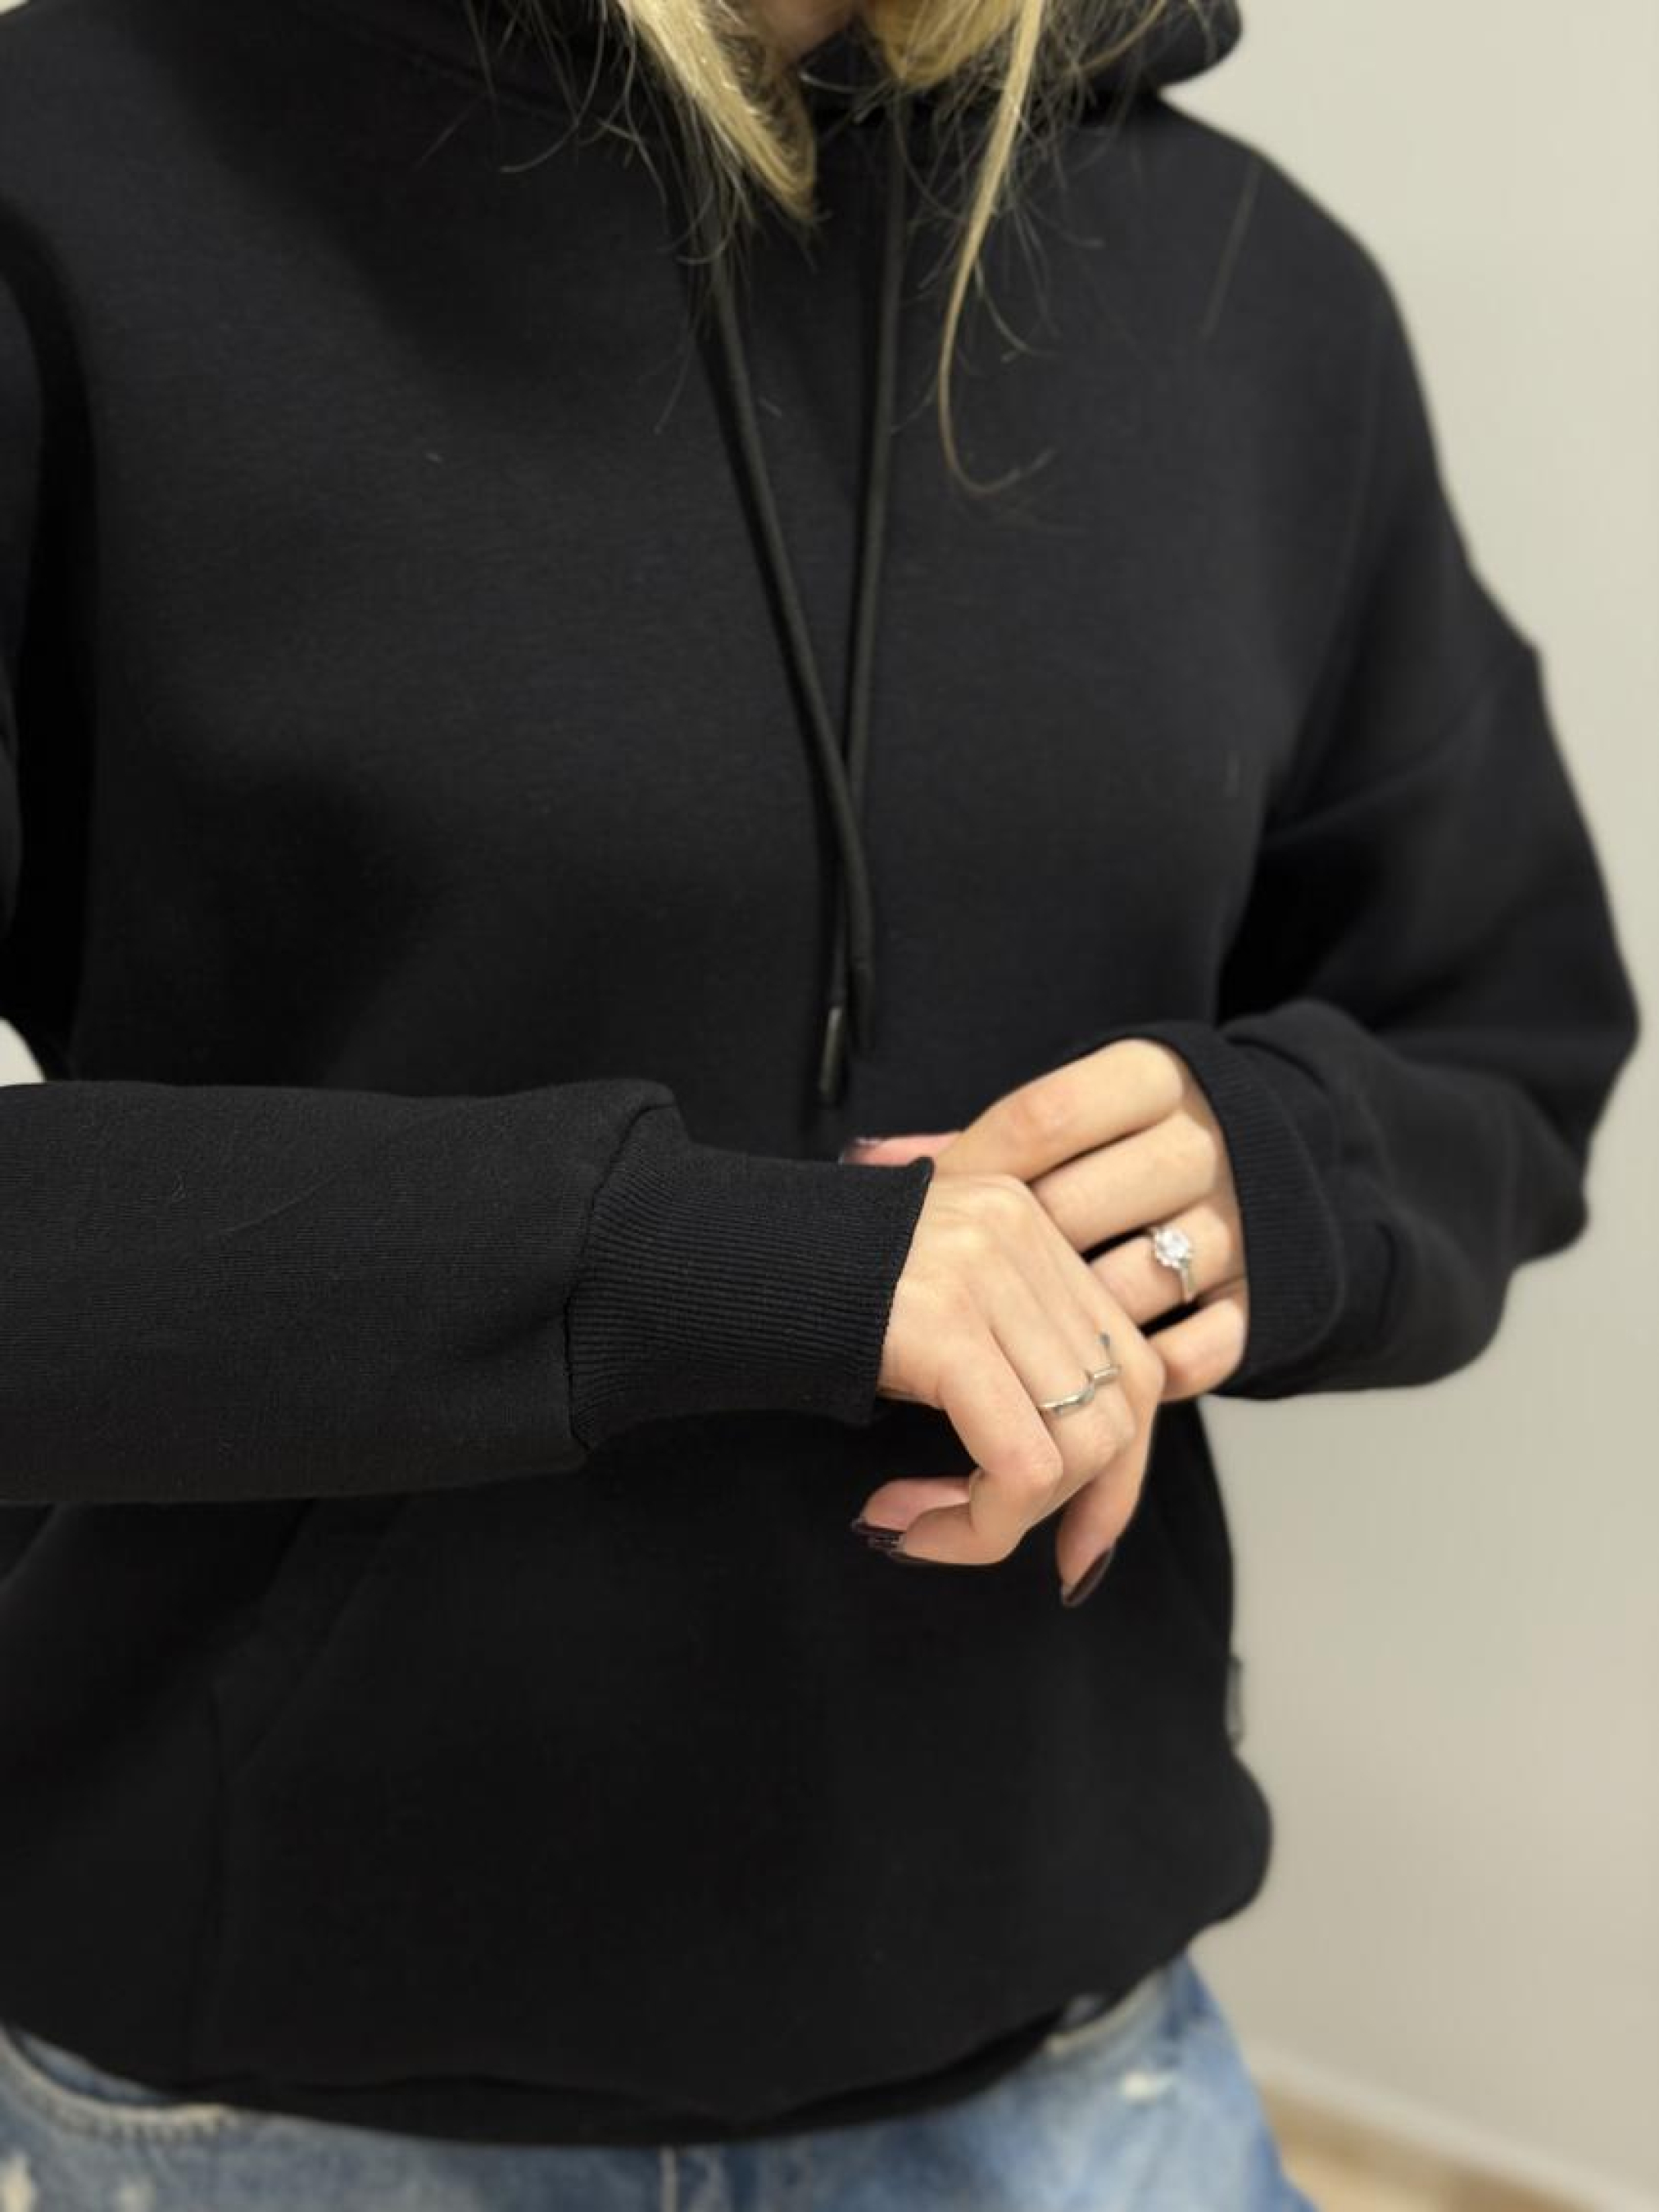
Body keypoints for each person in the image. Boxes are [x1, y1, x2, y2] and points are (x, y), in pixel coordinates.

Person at [0, 0, 1639, 2203]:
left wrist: (1269, 1173)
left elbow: (1500, 1016)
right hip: (284, 2088)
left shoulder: (1256, 293)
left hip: (1063, 2054)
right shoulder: (75, 175)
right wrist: (722, 1264)